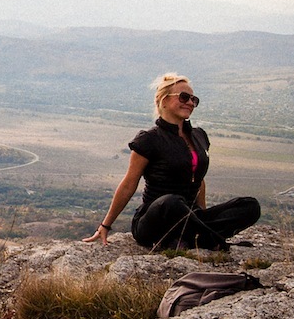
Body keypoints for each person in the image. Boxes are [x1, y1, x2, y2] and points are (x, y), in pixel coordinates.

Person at [84, 73, 261, 250]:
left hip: (189, 215)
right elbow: (129, 184)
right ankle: (209, 240)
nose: (190, 103)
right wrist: (105, 225)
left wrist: (202, 214)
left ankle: (191, 237)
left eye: (194, 99)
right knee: (171, 202)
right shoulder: (149, 140)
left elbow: (199, 179)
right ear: (164, 100)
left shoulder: (199, 136)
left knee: (249, 206)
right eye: (184, 97)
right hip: (156, 219)